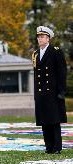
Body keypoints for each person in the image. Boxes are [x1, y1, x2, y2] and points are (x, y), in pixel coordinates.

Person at [32, 26, 67, 154]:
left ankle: (56, 147)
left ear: (48, 39)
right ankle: (49, 147)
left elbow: (62, 73)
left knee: (54, 121)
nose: (40, 39)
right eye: (38, 37)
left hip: (53, 93)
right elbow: (37, 75)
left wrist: (61, 91)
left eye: (42, 37)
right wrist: (36, 93)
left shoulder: (55, 52)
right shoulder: (36, 54)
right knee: (44, 121)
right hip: (41, 93)